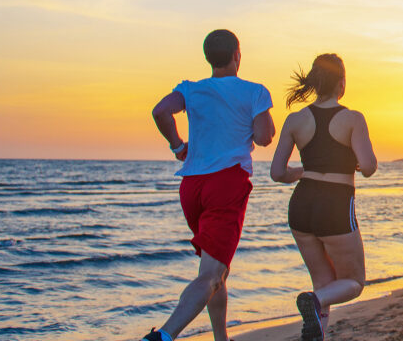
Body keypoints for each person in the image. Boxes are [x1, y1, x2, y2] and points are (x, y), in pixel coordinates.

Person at [146, 29, 275, 341]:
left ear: (208, 58)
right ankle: (163, 335)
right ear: (237, 56)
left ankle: (221, 338)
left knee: (216, 269)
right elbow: (264, 137)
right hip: (227, 183)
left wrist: (178, 145)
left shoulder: (190, 89)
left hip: (192, 187)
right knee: (211, 275)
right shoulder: (254, 92)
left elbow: (161, 111)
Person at [270, 53, 377, 341]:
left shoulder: (295, 120)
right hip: (335, 204)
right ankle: (313, 302)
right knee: (353, 282)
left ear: (315, 83)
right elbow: (368, 167)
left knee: (322, 283)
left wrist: (305, 171)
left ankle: (318, 327)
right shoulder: (352, 119)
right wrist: (350, 160)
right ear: (342, 84)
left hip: (301, 204)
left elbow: (277, 172)